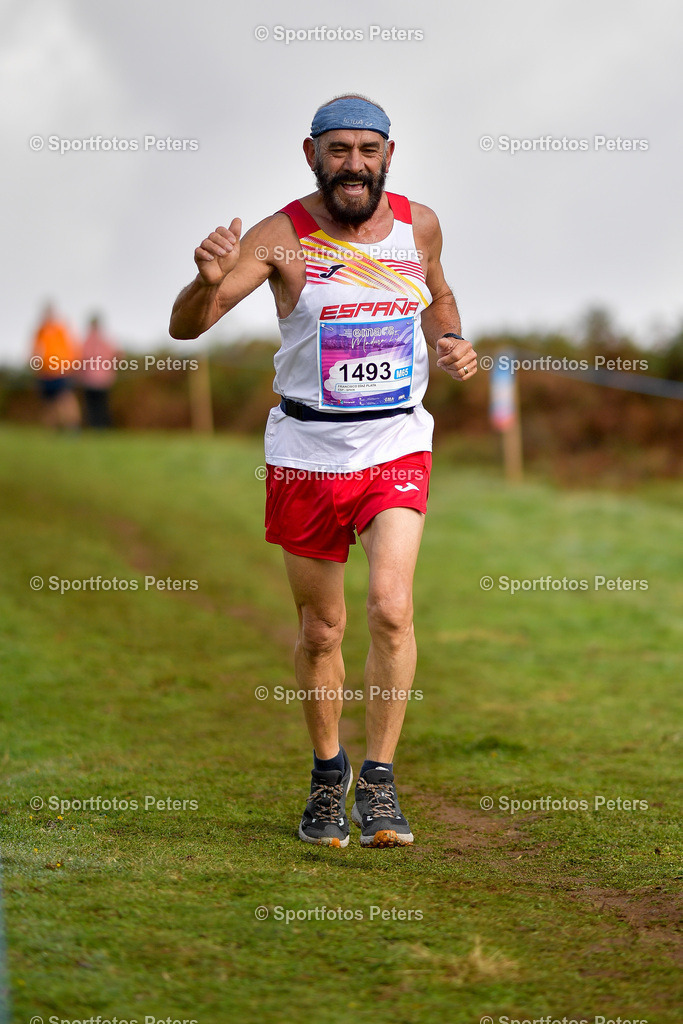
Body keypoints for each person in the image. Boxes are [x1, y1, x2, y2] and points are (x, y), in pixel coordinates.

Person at [170, 94, 478, 849]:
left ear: (388, 156)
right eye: (338, 150)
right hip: (306, 452)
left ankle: (379, 780)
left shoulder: (419, 225)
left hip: (394, 442)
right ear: (311, 154)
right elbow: (187, 327)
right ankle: (325, 773)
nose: (353, 165)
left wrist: (450, 338)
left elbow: (437, 294)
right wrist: (206, 280)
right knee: (321, 629)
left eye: (367, 150)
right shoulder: (279, 236)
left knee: (391, 609)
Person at [30, 303, 81, 430]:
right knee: (49, 402)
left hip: (61, 370)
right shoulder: (41, 331)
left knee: (65, 399)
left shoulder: (61, 329)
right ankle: (52, 429)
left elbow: (72, 348)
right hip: (46, 372)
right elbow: (35, 350)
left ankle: (72, 426)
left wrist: (72, 365)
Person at [80, 315, 118, 428]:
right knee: (102, 404)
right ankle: (102, 426)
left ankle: (95, 426)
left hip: (90, 379)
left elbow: (82, 358)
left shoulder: (87, 341)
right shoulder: (107, 340)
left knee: (92, 405)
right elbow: (116, 356)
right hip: (104, 379)